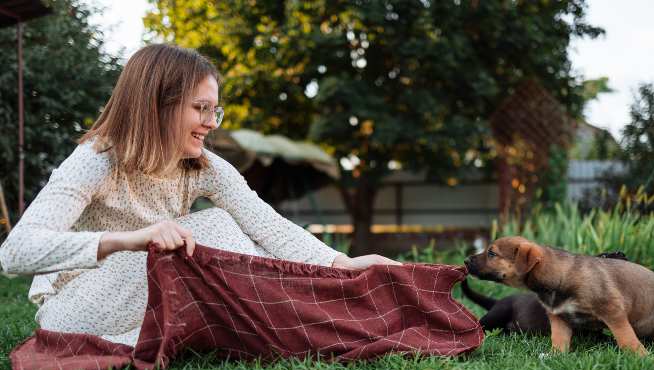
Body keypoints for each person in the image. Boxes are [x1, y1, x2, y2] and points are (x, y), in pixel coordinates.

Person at [0, 43, 399, 347]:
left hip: (151, 298)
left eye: (215, 111)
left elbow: (266, 224)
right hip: (74, 311)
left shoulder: (202, 166)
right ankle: (305, 315)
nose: (211, 123)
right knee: (212, 226)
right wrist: (132, 241)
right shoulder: (96, 160)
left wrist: (342, 263)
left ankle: (315, 308)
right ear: (157, 106)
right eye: (201, 108)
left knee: (224, 233)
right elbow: (14, 253)